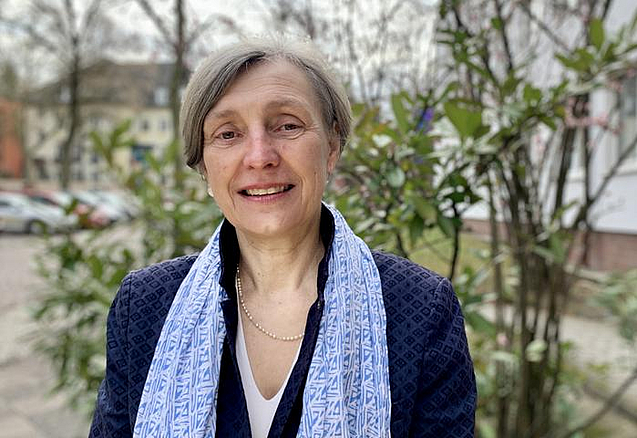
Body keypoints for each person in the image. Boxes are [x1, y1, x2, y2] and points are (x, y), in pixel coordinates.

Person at [89, 37, 476, 438]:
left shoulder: (420, 309)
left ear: (331, 147)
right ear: (204, 166)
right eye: (228, 134)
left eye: (287, 125)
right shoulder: (145, 306)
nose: (260, 156)